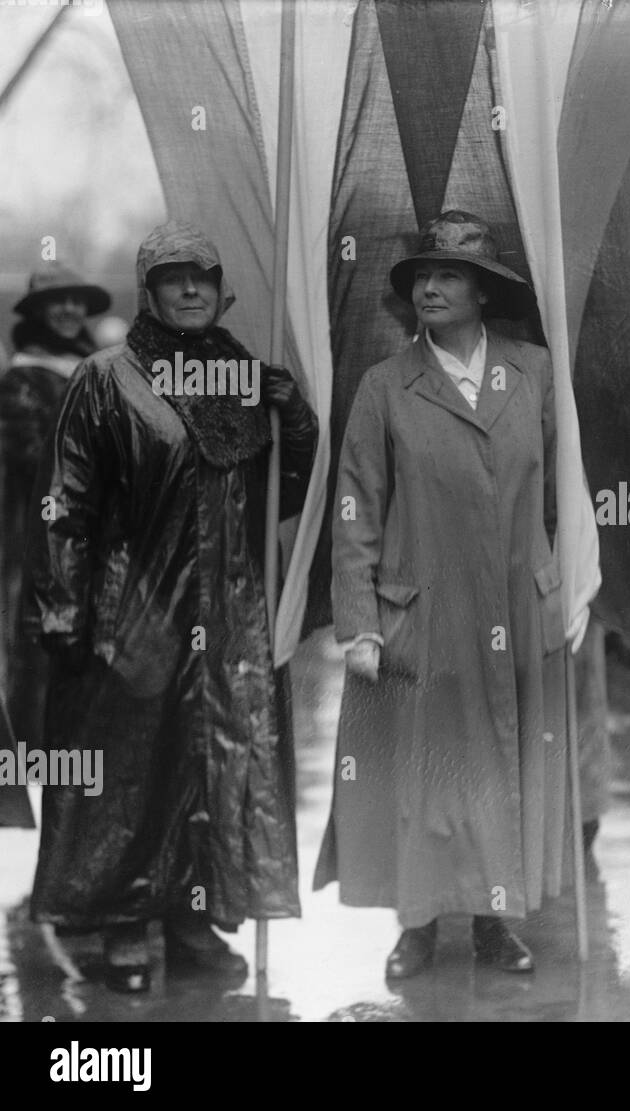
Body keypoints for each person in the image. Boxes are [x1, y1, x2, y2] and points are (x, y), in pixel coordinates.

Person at [23, 220, 318, 993]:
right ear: (149, 291)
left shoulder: (248, 379)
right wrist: (64, 609)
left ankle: (194, 912)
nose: (190, 289)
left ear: (223, 292)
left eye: (203, 277)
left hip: (227, 613)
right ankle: (124, 917)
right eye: (173, 277)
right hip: (135, 609)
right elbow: (67, 502)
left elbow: (282, 498)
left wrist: (296, 422)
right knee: (131, 770)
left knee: (214, 765)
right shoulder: (106, 378)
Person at [314, 210, 569, 979]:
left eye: (447, 274)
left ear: (484, 291)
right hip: (420, 610)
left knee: (502, 763)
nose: (429, 285)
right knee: (424, 771)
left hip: (516, 608)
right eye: (421, 275)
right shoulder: (386, 385)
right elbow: (355, 503)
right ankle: (417, 923)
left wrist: (562, 587)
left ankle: (495, 920)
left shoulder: (533, 371)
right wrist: (359, 621)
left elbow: (563, 492)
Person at [1, 264, 110, 749]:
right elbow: (34, 459)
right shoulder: (22, 379)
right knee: (40, 643)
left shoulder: (98, 367)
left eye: (76, 300)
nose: (68, 310)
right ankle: (35, 764)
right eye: (56, 301)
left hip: (96, 532)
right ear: (39, 312)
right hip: (40, 533)